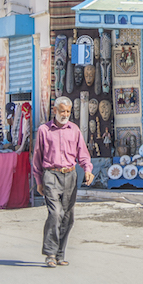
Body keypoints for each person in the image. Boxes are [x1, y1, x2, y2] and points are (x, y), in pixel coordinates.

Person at [32, 97, 94, 268]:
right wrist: (38, 180)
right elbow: (37, 157)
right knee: (55, 213)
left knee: (68, 216)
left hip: (70, 175)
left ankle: (60, 254)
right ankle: (50, 253)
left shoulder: (74, 130)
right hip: (51, 175)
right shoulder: (44, 130)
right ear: (55, 110)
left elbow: (83, 154)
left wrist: (87, 170)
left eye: (68, 111)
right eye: (62, 111)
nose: (65, 114)